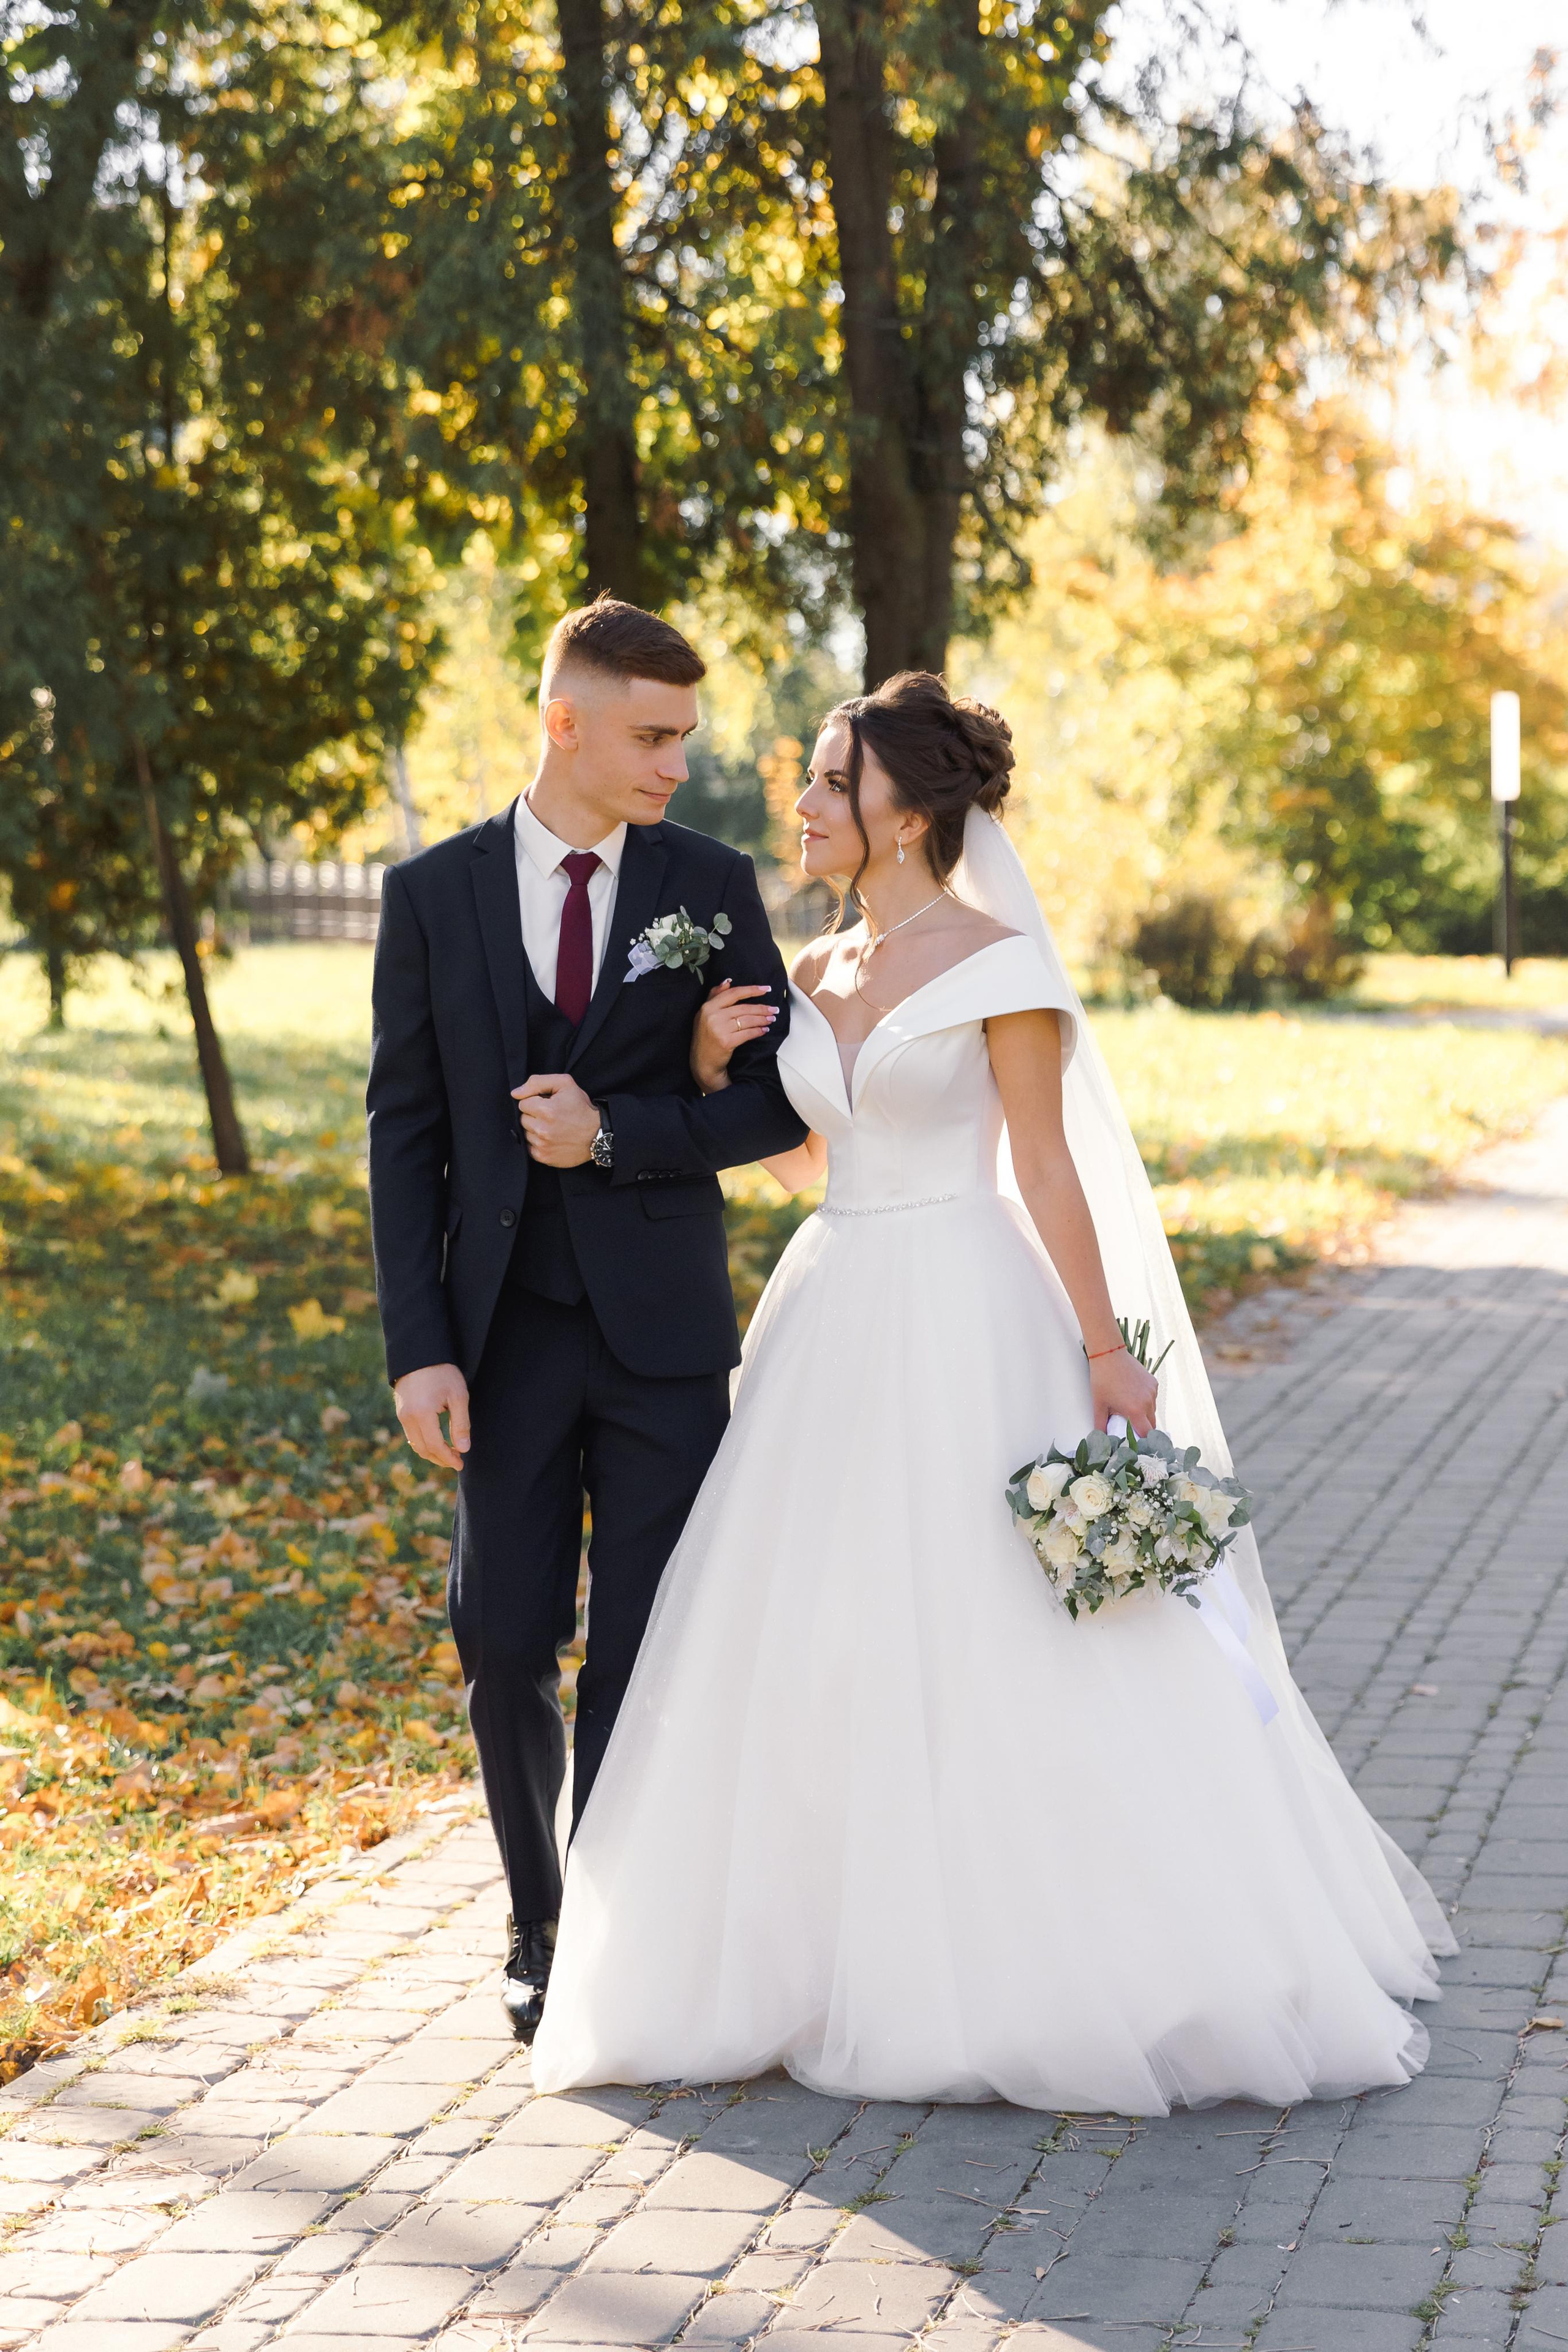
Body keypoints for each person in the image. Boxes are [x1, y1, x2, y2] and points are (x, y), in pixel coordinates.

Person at [529, 669, 1455, 2114]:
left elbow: (1044, 1170)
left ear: (903, 813)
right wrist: (718, 1065)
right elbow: (811, 1168)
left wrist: (1106, 1354)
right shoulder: (814, 972)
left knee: (999, 1628)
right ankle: (809, 1951)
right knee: (815, 1626)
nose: (807, 802)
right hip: (831, 1309)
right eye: (813, 779)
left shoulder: (998, 967)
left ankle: (1037, 1952)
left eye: (832, 782)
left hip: (967, 1307)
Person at [366, 597, 808, 2041]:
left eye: (685, 737)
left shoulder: (708, 877)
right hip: (496, 1337)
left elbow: (766, 1101)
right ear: (566, 723)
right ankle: (534, 1913)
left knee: (643, 1640)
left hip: (662, 1332)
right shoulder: (431, 895)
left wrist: (614, 1133)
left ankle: (611, 1937)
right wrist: (417, 1344)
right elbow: (403, 1132)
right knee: (502, 1637)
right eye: (652, 735)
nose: (678, 765)